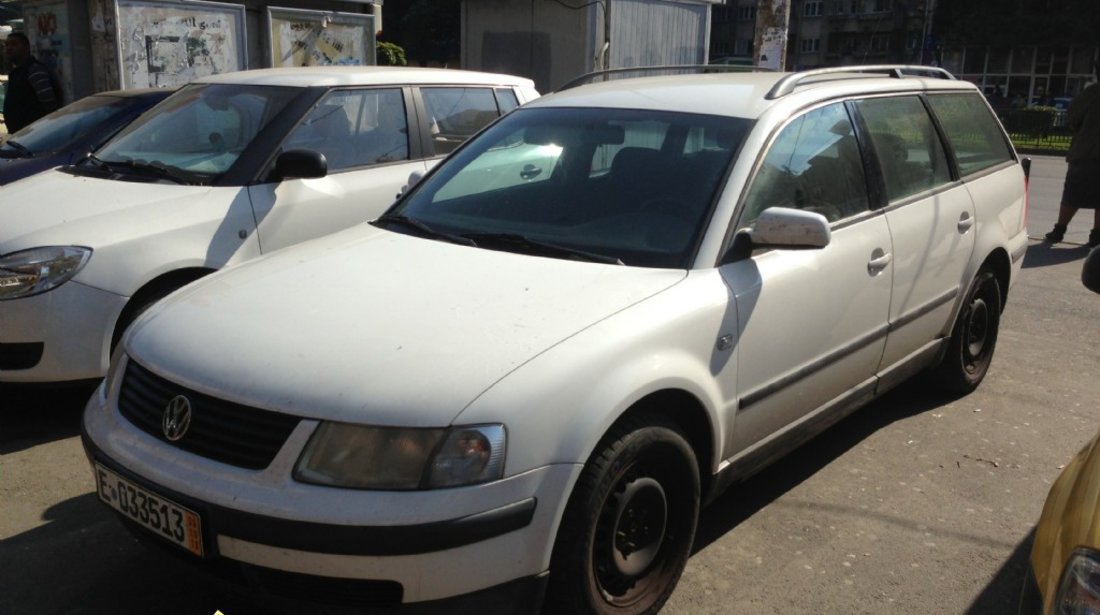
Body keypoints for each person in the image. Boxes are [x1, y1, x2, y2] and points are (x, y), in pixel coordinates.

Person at [1045, 75, 1100, 248]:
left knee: (1072, 195)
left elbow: (1072, 119)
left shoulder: (1090, 93)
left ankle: (1059, 230)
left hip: (1084, 152)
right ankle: (1096, 236)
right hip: (1087, 152)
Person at [3, 32, 62, 134]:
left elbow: (50, 104)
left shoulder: (34, 70)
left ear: (26, 48)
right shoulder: (17, 72)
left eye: (14, 44)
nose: (9, 48)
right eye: (7, 45)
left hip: (35, 134)